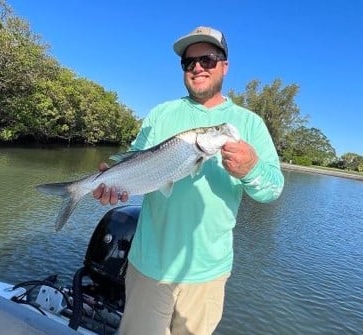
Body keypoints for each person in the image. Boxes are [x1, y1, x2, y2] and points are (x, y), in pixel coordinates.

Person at [93, 26, 284, 335]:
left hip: (208, 273)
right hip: (149, 266)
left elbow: (273, 189)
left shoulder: (251, 124)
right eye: (188, 62)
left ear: (225, 65)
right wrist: (113, 186)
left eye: (207, 59)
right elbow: (135, 163)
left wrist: (251, 168)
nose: (197, 68)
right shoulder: (160, 113)